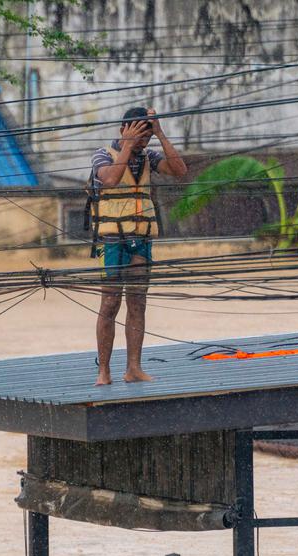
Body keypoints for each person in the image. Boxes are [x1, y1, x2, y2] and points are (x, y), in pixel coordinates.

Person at [88, 106, 187, 385]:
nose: (144, 142)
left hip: (141, 238)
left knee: (138, 301)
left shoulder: (149, 157)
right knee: (109, 302)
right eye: (139, 134)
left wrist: (160, 133)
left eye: (147, 136)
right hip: (112, 240)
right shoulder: (103, 154)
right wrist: (128, 145)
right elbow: (109, 179)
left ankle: (133, 368)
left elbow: (179, 170)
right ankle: (104, 371)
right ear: (124, 130)